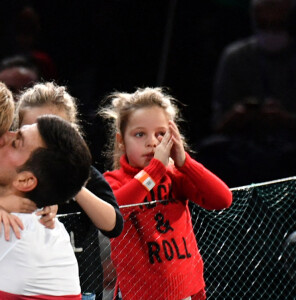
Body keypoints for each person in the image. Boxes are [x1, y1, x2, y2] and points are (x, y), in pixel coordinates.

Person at [98, 87, 233, 300]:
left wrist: (184, 161)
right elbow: (115, 215)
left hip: (183, 293)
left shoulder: (176, 177)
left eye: (161, 134)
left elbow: (222, 199)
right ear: (121, 141)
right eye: (140, 134)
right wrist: (155, 170)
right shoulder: (113, 181)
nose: (152, 142)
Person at [12, 81, 124, 299]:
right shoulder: (11, 177)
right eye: (33, 130)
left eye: (54, 130)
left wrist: (73, 185)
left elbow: (113, 225)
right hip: (25, 288)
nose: (43, 140)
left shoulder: (85, 175)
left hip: (82, 290)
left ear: (71, 133)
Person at [0, 114, 92, 298]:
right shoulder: (46, 227)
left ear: (25, 180)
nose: (4, 136)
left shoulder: (10, 229)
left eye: (15, 143)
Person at [212, 0, 296, 129]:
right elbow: (217, 121)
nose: (271, 32)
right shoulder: (236, 57)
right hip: (242, 139)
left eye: (277, 25)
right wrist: (238, 115)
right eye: (264, 24)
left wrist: (287, 119)